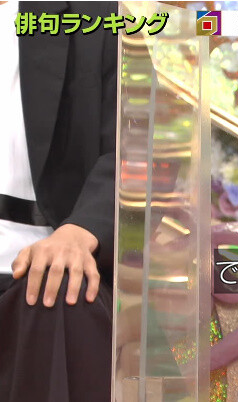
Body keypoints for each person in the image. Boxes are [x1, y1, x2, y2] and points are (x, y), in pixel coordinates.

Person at [0, 2, 117, 402]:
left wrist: (81, 231)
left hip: (41, 253)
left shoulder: (97, 17)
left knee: (63, 293)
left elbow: (138, 144)